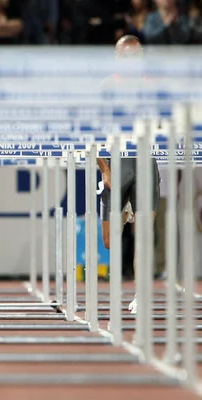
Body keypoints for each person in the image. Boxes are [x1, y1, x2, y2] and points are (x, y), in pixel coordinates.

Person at [98, 35, 160, 314]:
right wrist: (105, 170)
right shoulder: (106, 88)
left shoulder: (154, 87)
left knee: (144, 234)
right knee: (110, 240)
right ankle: (124, 212)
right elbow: (91, 134)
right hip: (116, 164)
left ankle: (140, 295)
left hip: (145, 161)